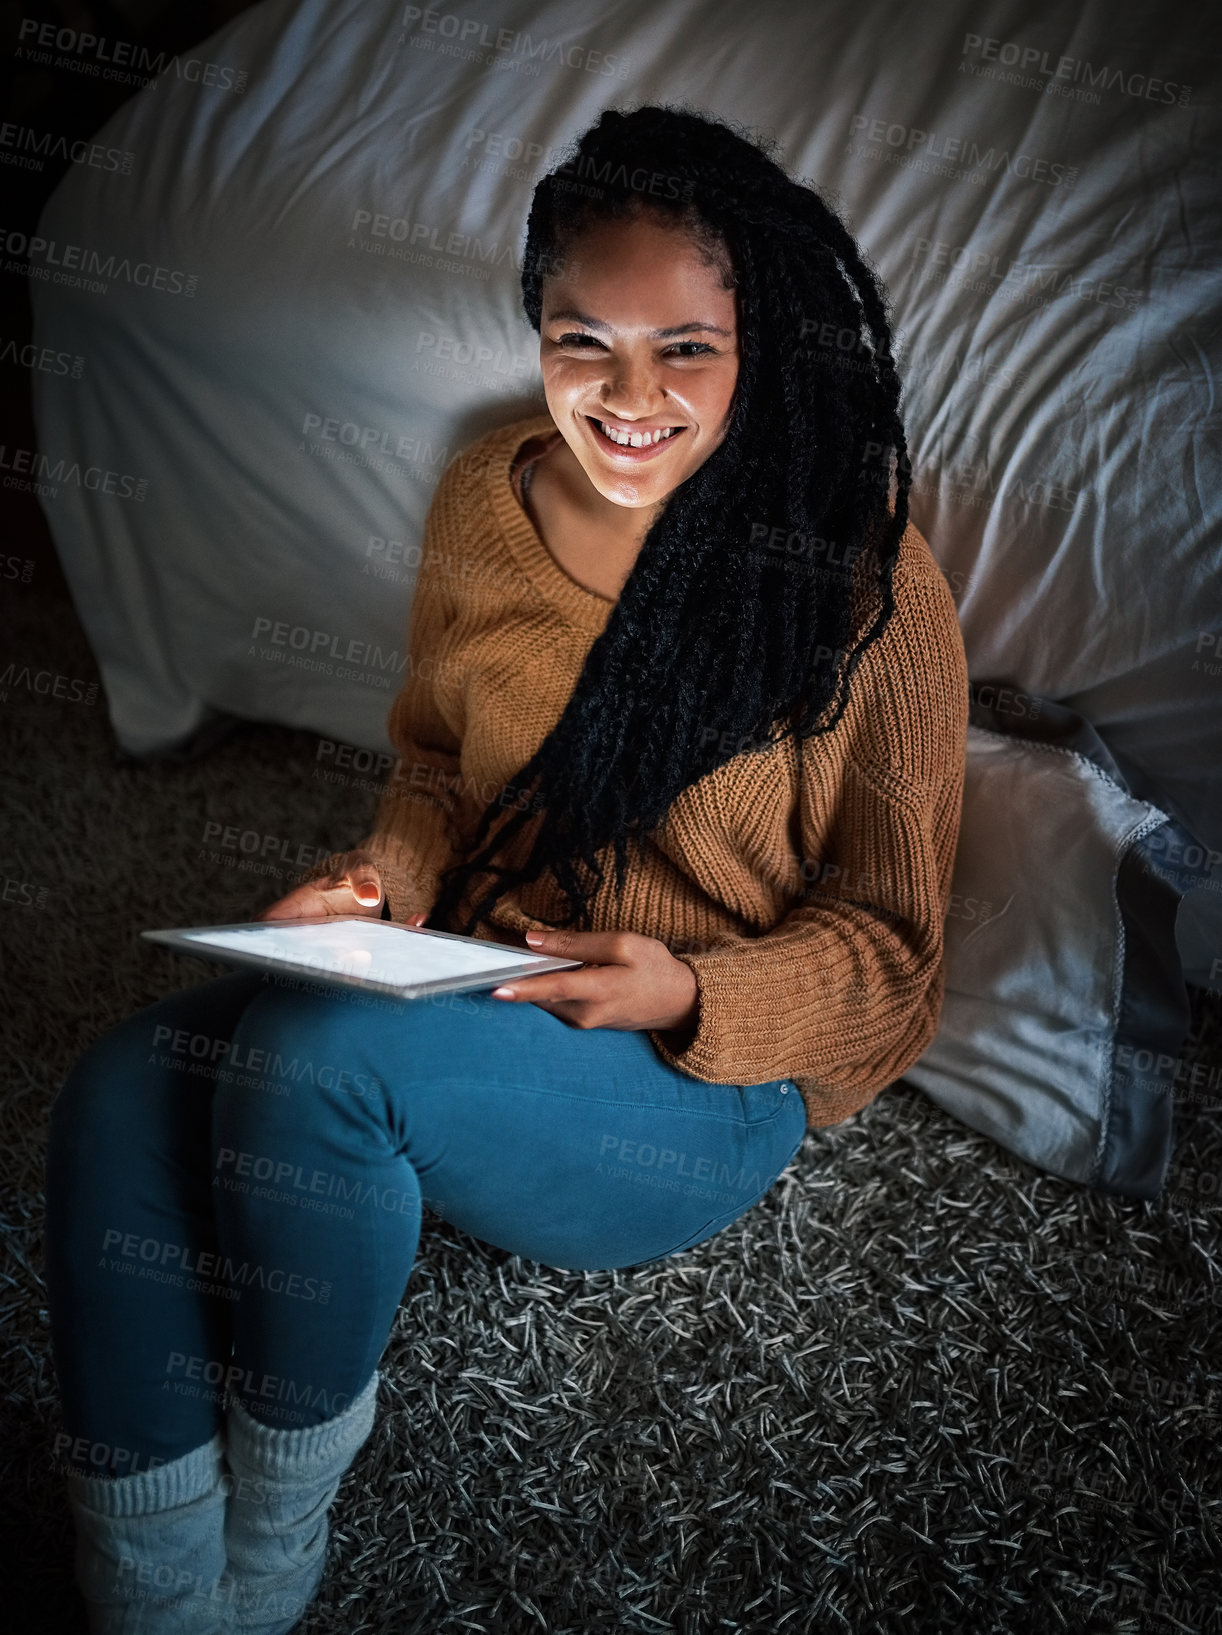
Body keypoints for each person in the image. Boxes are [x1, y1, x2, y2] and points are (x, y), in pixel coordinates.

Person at [44, 103, 969, 1632]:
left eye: (687, 348)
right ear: (535, 331)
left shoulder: (865, 580)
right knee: (120, 1085)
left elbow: (892, 951)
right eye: (581, 338)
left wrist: (685, 983)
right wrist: (384, 878)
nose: (626, 396)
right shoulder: (488, 492)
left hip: (688, 1088)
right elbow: (428, 764)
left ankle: (274, 1552)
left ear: (764, 347)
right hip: (464, 978)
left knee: (318, 1064)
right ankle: (148, 1588)